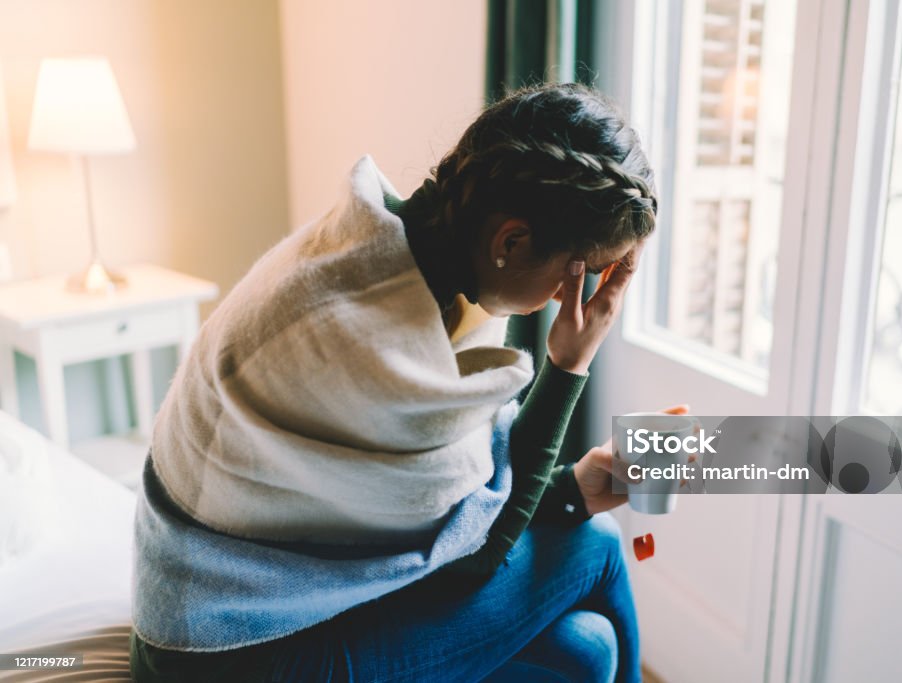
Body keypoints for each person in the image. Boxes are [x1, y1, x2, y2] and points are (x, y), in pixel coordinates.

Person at [129, 81, 677, 683]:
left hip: (244, 603)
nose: (571, 298)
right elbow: (475, 555)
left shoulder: (382, 248)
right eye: (581, 274)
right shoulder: (373, 345)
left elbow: (457, 506)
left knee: (587, 650)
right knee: (596, 544)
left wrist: (573, 486)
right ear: (512, 241)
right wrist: (570, 362)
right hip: (228, 650)